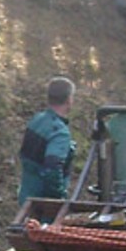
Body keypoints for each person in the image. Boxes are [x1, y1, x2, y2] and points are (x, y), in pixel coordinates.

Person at [18, 77, 76, 205]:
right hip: (44, 204)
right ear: (69, 100)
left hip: (26, 195)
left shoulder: (36, 120)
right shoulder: (60, 132)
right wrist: (59, 197)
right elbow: (52, 168)